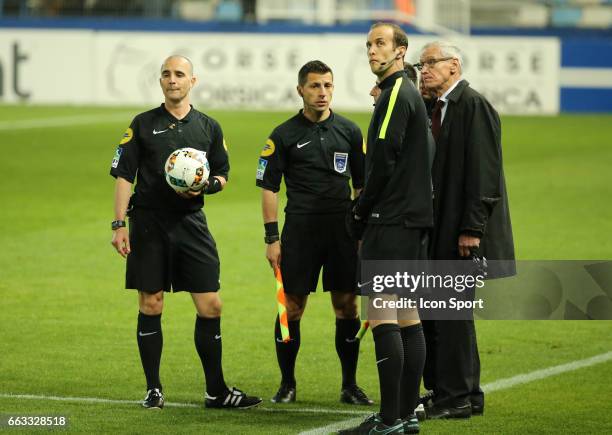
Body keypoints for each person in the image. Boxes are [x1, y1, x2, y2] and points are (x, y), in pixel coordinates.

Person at [110, 55, 262, 410]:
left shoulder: (208, 127)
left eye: (179, 74)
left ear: (193, 81)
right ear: (160, 81)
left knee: (211, 305)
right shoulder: (142, 124)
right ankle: (153, 389)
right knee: (151, 302)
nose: (172, 80)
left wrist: (207, 186)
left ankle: (216, 391)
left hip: (191, 223)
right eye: (166, 74)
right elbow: (123, 176)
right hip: (148, 223)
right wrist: (119, 224)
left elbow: (223, 175)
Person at [256, 60, 373, 406]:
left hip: (342, 232)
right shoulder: (283, 135)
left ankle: (349, 385)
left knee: (347, 307)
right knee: (290, 308)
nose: (322, 93)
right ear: (300, 90)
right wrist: (271, 238)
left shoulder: (350, 131)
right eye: (315, 86)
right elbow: (269, 188)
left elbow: (361, 186)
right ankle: (287, 384)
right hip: (300, 233)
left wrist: (362, 231)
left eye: (328, 86)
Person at [342, 23, 434, 435]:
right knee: (408, 316)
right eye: (369, 44)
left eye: (380, 43)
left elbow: (381, 162)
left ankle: (390, 418)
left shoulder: (395, 93)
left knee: (383, 317)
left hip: (391, 220)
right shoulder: (410, 94)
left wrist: (360, 210)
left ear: (401, 51)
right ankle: (407, 414)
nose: (372, 51)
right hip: (412, 222)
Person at [416, 41, 515, 419]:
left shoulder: (473, 105)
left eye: (431, 63)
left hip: (462, 232)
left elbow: (484, 173)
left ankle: (453, 397)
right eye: (421, 64)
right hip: (443, 229)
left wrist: (472, 228)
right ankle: (465, 393)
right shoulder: (437, 108)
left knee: (447, 314)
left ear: (453, 66)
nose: (424, 70)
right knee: (448, 313)